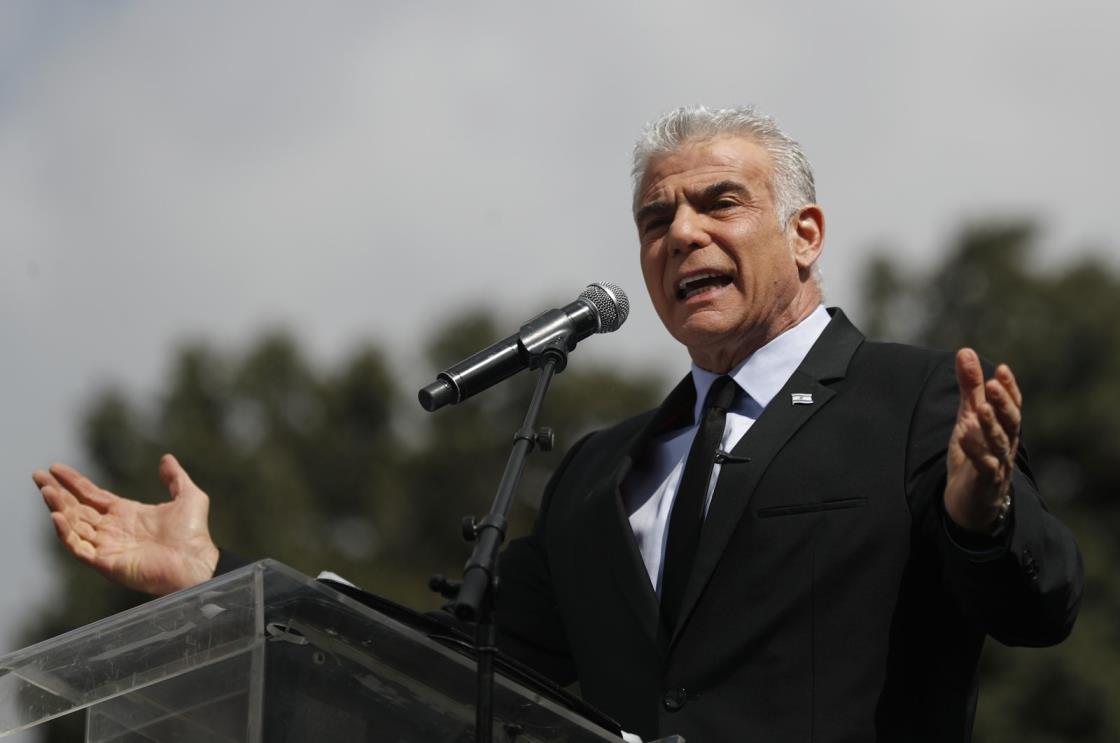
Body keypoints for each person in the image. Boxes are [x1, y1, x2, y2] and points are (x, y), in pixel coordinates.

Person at [34, 105, 1082, 742]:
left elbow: (1041, 603)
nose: (681, 233)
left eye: (718, 203)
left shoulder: (913, 399)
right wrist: (219, 584)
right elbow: (436, 672)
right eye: (654, 218)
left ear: (804, 234)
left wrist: (980, 516)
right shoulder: (599, 471)